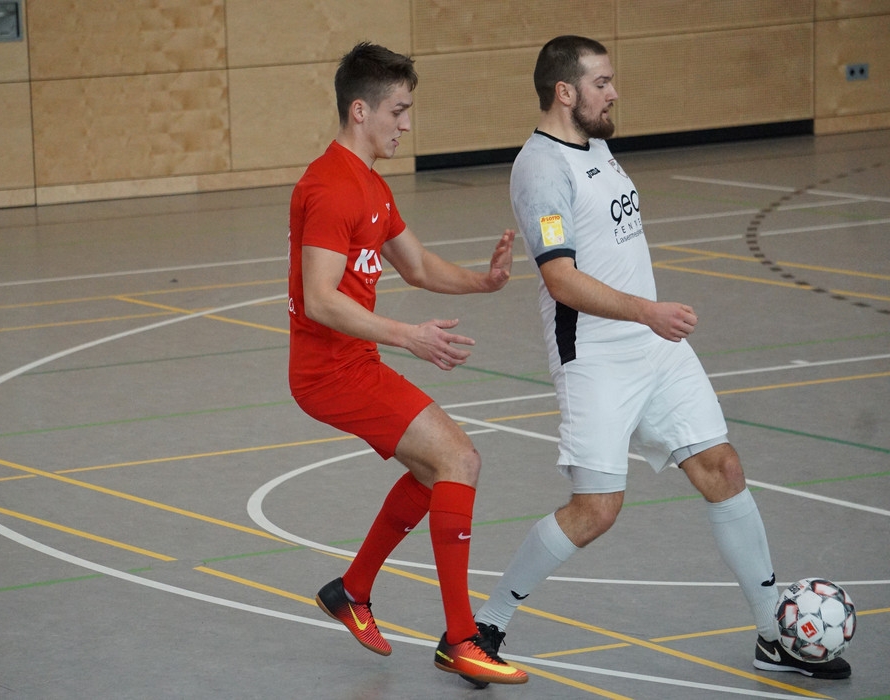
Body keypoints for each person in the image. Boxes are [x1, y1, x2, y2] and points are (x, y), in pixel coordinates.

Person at [470, 35, 851, 683]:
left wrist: (649, 322)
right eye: (602, 83)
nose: (614, 93)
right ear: (564, 92)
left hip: (655, 350)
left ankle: (773, 635)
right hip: (594, 358)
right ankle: (486, 625)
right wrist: (647, 310)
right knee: (596, 510)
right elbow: (561, 279)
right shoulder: (541, 169)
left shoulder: (597, 147)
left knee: (722, 468)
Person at [287, 41, 528, 686]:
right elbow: (319, 299)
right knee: (460, 460)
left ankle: (352, 590)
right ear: (359, 110)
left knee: (434, 471)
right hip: (331, 373)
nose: (407, 124)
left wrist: (484, 282)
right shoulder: (329, 187)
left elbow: (416, 266)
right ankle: (461, 640)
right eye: (398, 111)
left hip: (354, 362)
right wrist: (407, 337)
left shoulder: (371, 185)